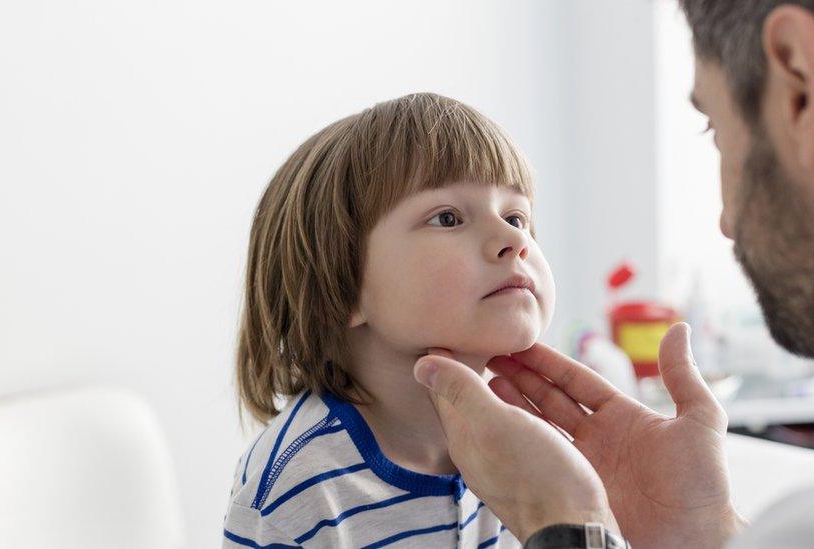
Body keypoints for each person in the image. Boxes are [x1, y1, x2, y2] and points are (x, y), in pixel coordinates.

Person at [413, 1, 814, 548]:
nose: (726, 222)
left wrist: (564, 521)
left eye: (714, 128)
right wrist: (700, 530)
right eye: (447, 218)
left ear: (800, 84)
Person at [222, 92, 583, 548]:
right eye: (448, 218)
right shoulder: (296, 488)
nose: (514, 239)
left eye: (517, 215)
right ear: (343, 284)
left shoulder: (539, 449)